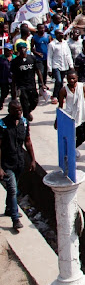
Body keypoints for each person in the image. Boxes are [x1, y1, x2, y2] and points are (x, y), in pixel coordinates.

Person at [0, 100, 37, 230]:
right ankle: (15, 218)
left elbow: (28, 141)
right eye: (16, 110)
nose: (19, 112)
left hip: (19, 162)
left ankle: (9, 208)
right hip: (6, 163)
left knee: (13, 187)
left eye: (20, 110)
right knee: (12, 189)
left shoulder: (24, 123)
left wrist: (32, 159)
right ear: (10, 111)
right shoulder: (2, 125)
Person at [58, 71, 85, 152]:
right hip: (70, 117)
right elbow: (60, 106)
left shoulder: (82, 86)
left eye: (73, 78)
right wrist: (58, 120)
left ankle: (70, 149)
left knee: (82, 138)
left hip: (81, 116)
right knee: (70, 137)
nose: (72, 80)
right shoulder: (63, 90)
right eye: (69, 79)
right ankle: (69, 152)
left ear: (77, 78)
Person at [11, 41, 45, 121]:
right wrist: (14, 90)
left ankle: (27, 111)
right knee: (24, 103)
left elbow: (38, 71)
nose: (22, 50)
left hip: (32, 85)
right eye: (20, 48)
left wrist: (42, 84)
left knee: (35, 101)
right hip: (22, 86)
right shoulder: (15, 62)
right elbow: (14, 76)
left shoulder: (32, 58)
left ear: (26, 49)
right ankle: (26, 126)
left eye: (23, 48)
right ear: (18, 50)